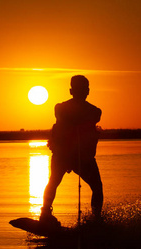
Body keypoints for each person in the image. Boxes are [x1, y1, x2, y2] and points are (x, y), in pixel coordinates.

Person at [40, 75, 103, 228]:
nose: (82, 92)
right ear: (71, 90)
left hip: (83, 157)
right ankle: (45, 214)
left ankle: (95, 219)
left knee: (97, 187)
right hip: (62, 154)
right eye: (78, 89)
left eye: (83, 89)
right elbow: (64, 118)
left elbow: (93, 117)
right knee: (53, 182)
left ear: (87, 91)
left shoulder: (95, 111)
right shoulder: (60, 108)